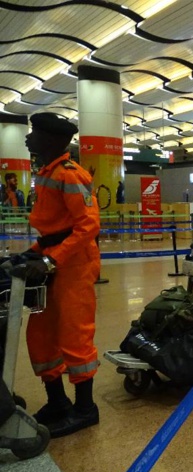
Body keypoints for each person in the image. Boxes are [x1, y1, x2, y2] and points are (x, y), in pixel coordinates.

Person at [23, 112, 101, 438]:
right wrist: (36, 249)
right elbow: (54, 225)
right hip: (53, 259)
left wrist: (52, 259)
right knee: (40, 334)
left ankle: (85, 409)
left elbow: (87, 225)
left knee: (74, 335)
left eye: (35, 133)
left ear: (55, 140)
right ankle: (57, 401)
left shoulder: (71, 175)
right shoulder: (46, 172)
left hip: (74, 264)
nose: (29, 138)